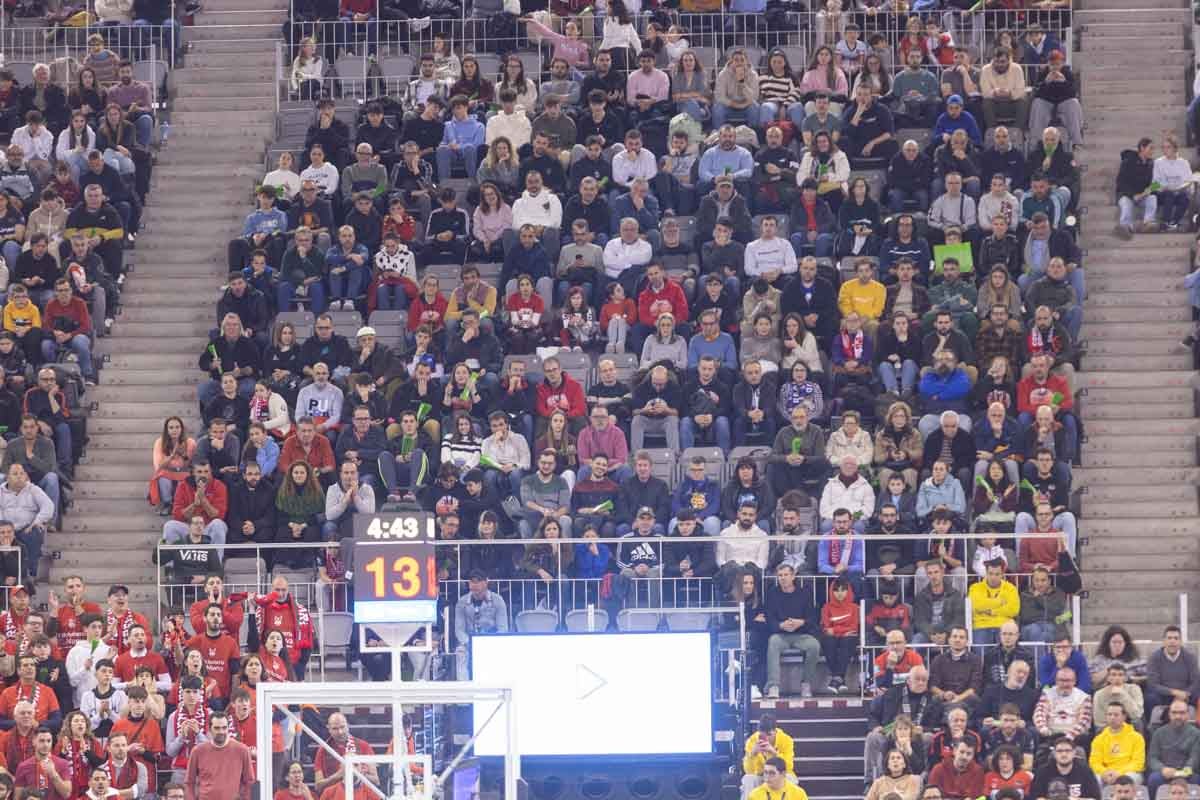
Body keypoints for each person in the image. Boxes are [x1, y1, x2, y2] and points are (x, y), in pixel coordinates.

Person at [764, 562, 820, 699]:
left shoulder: (804, 593)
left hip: (801, 634)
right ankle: (773, 686)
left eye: (786, 575)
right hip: (780, 634)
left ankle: (806, 683)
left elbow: (812, 619)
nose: (783, 578)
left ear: (793, 576)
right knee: (773, 642)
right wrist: (780, 625)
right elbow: (769, 619)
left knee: (814, 645)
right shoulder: (772, 594)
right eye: (780, 575)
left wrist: (801, 622)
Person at [183, 711, 254, 800]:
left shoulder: (242, 750)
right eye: (217, 728)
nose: (221, 731)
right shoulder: (198, 751)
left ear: (228, 728)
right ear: (209, 729)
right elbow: (189, 782)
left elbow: (249, 782)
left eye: (224, 728)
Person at [1147, 700, 1200, 795]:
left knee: (1197, 780)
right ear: (1169, 714)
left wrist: (1185, 771)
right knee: (1153, 779)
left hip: (1187, 773)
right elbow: (1152, 758)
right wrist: (1162, 769)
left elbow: (1195, 757)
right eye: (1174, 713)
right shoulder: (1158, 733)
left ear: (1188, 714)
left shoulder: (1196, 734)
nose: (1178, 716)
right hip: (1165, 772)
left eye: (1182, 713)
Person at [1089, 702, 1145, 785]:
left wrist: (1119, 773)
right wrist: (1105, 772)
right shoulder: (1099, 739)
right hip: (1106, 773)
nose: (1112, 718)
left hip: (1128, 773)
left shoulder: (1136, 737)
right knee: (1095, 779)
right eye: (1109, 714)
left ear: (1124, 717)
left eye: (1116, 715)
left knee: (1131, 777)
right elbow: (1094, 762)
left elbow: (1138, 763)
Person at [741, 716, 796, 799]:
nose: (767, 738)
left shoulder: (786, 740)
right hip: (761, 775)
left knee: (789, 779)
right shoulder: (752, 741)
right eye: (762, 735)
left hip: (779, 774)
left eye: (769, 734)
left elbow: (788, 767)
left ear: (775, 731)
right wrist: (752, 754)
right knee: (748, 779)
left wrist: (774, 753)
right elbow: (748, 771)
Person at [1114, 137, 1158, 239]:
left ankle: (1148, 223)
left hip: (1143, 196)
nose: (1153, 151)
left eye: (1153, 149)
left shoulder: (1152, 163)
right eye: (1150, 148)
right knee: (1126, 203)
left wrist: (1150, 189)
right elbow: (1120, 182)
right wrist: (1132, 195)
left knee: (1153, 198)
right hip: (1127, 194)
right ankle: (1125, 227)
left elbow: (1158, 182)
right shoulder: (1128, 161)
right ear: (1142, 148)